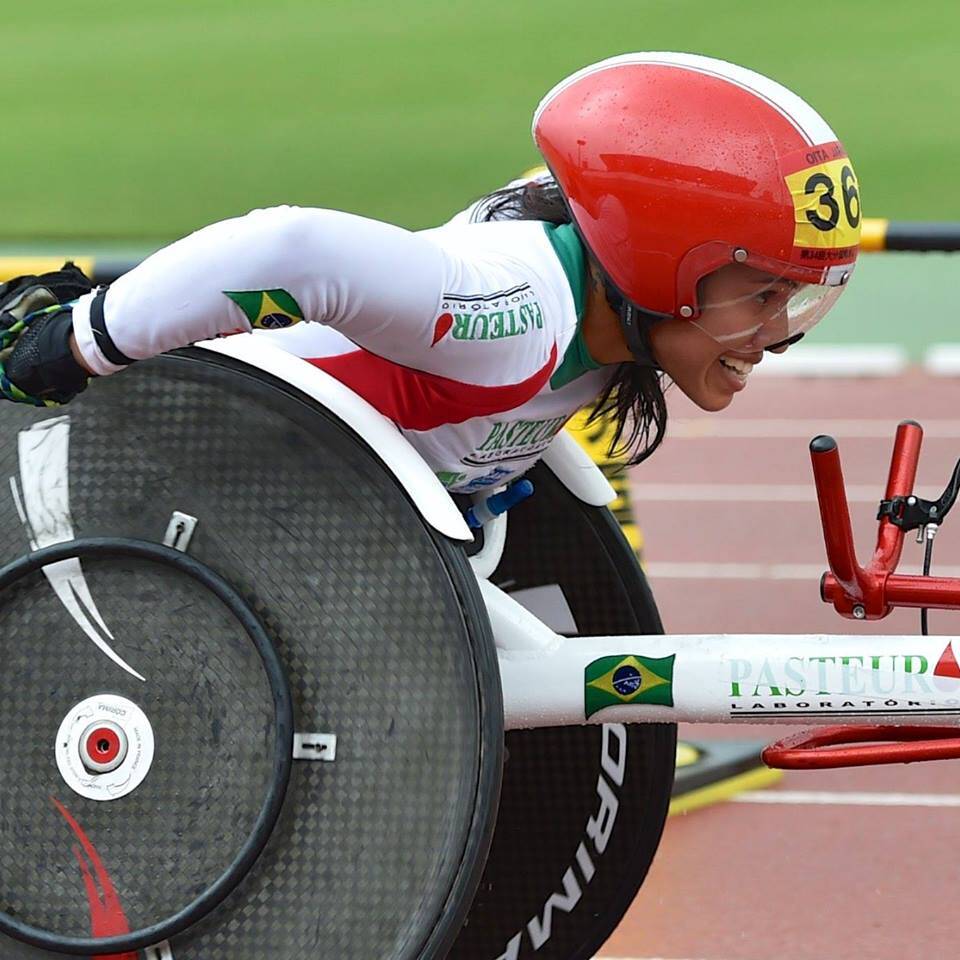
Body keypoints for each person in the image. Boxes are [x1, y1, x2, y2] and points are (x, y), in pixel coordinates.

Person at [0, 52, 861, 495]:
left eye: (795, 301)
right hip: (133, 479)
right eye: (765, 293)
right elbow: (293, 250)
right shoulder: (516, 312)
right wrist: (72, 344)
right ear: (659, 255)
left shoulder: (610, 319)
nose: (775, 337)